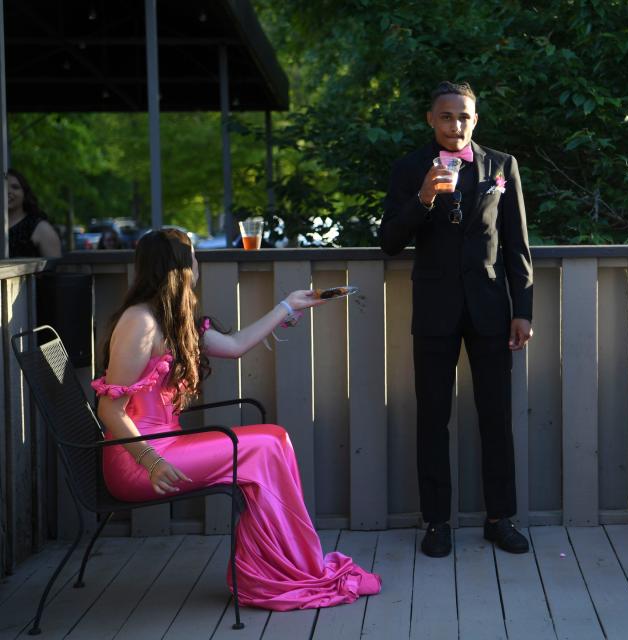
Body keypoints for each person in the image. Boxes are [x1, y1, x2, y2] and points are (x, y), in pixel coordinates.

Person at [93, 228, 381, 610]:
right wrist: (150, 460)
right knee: (263, 447)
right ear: (179, 267)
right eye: (193, 256)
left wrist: (289, 305)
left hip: (166, 448)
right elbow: (109, 410)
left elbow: (236, 345)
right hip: (138, 460)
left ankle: (287, 566)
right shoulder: (140, 322)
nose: (197, 263)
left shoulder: (170, 319)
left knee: (273, 439)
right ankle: (280, 572)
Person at [379, 81, 534, 558]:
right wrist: (423, 198)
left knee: (496, 418)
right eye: (446, 117)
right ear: (431, 119)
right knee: (432, 418)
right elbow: (389, 242)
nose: (455, 125)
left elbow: (516, 245)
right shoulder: (410, 168)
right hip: (434, 311)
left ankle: (499, 518)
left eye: (464, 116)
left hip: (490, 309)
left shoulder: (501, 166)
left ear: (475, 119)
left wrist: (522, 310)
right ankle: (437, 522)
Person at [6, 169, 61, 258]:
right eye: (3, 187)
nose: (8, 191)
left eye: (15, 187)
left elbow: (54, 269)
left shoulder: (41, 228)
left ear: (25, 194)